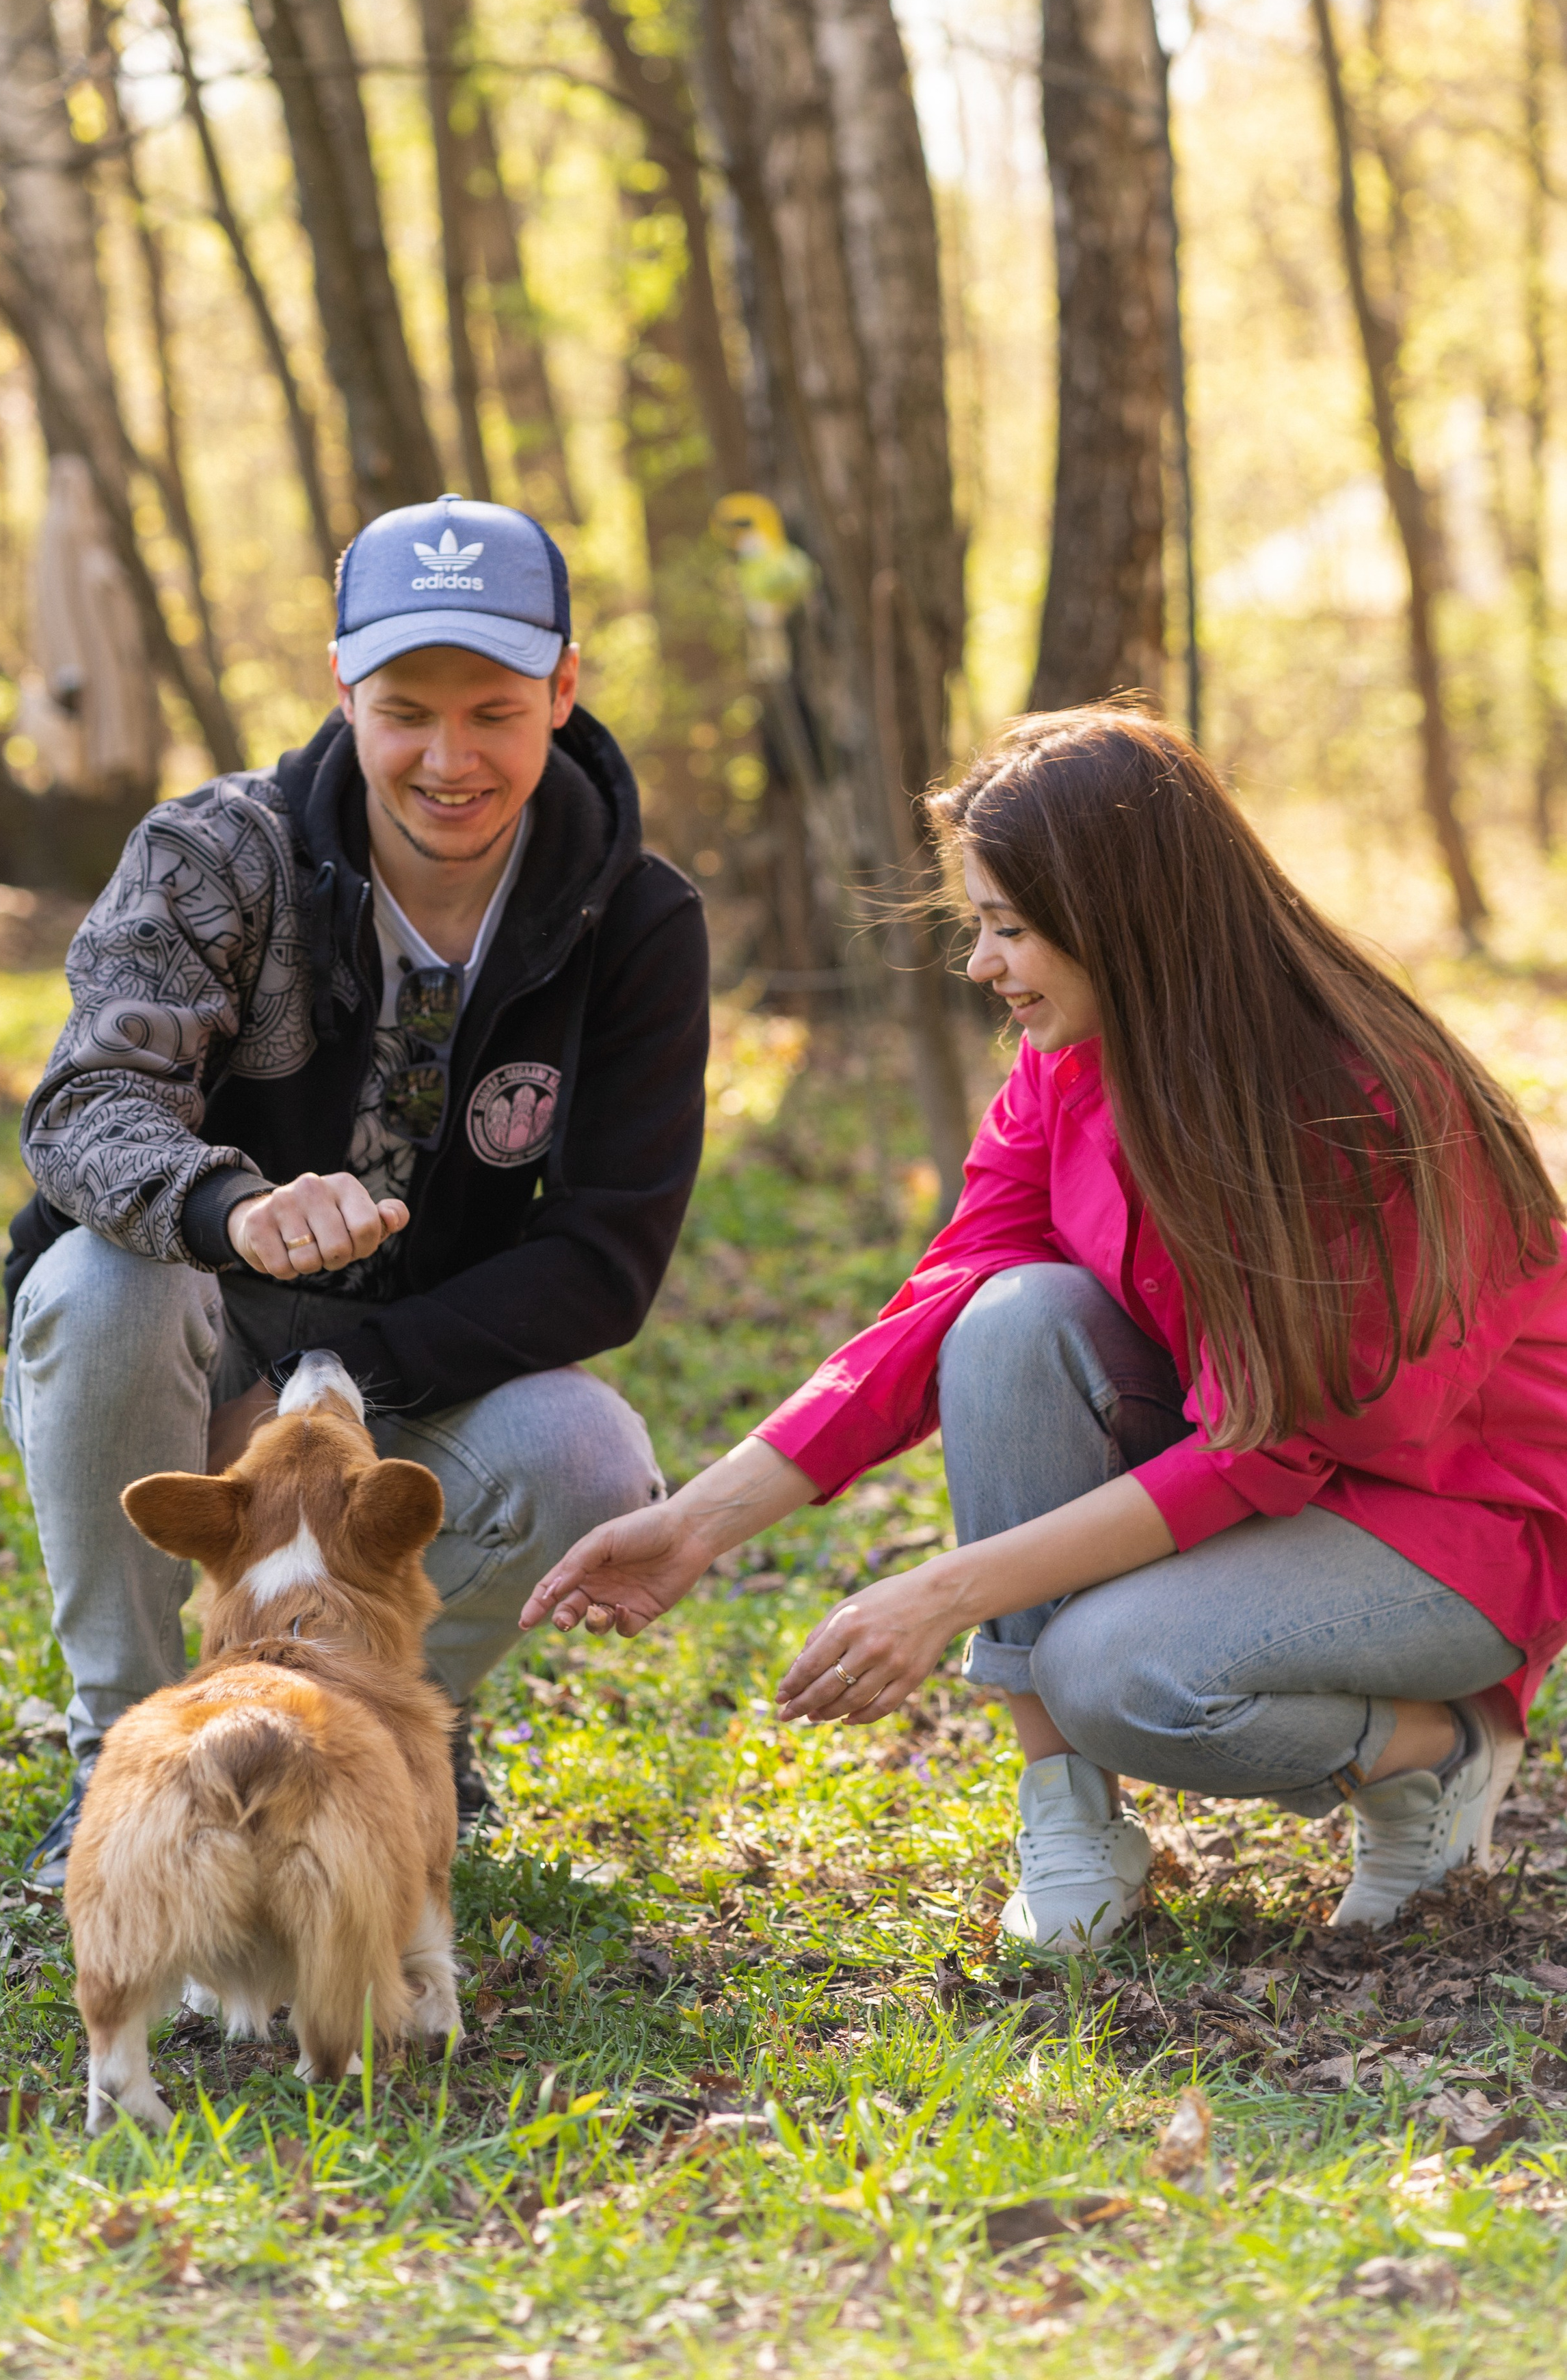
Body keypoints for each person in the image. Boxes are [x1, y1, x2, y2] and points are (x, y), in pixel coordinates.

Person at [522, 708, 1567, 1946]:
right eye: (980, 925)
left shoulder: (1348, 1101)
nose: (981, 965)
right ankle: (1068, 1811)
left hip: (1459, 1514)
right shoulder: (1073, 1059)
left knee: (1115, 1675)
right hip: (1259, 1463)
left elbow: (1267, 1446)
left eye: (1009, 928)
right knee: (1007, 1318)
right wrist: (701, 1522)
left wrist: (941, 1594)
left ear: (1126, 918)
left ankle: (1437, 1751)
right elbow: (948, 1296)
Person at [3, 494, 708, 1889]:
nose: (450, 759)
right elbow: (86, 1107)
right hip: (187, 1348)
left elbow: (606, 1254)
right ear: (342, 688)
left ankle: (388, 1724)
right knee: (102, 1281)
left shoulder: (635, 919)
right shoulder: (214, 856)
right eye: (405, 713)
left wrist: (326, 1385)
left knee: (587, 1456)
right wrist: (228, 1208)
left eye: (494, 712)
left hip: (411, 1373)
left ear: (564, 690)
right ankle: (125, 1751)